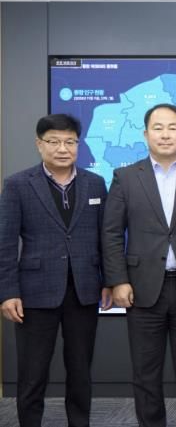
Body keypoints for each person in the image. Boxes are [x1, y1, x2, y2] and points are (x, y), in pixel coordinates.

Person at [102, 103, 176, 427]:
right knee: (146, 374)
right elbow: (111, 232)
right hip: (141, 288)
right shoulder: (125, 177)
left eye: (172, 127)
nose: (165, 134)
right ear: (145, 133)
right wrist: (118, 280)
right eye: (158, 128)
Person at [0, 114, 111, 427]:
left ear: (78, 144)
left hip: (84, 291)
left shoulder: (95, 183)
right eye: (54, 142)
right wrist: (7, 292)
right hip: (35, 293)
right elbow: (5, 243)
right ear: (40, 144)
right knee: (32, 372)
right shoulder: (17, 185)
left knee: (80, 370)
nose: (63, 148)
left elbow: (105, 237)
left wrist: (108, 280)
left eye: (70, 142)